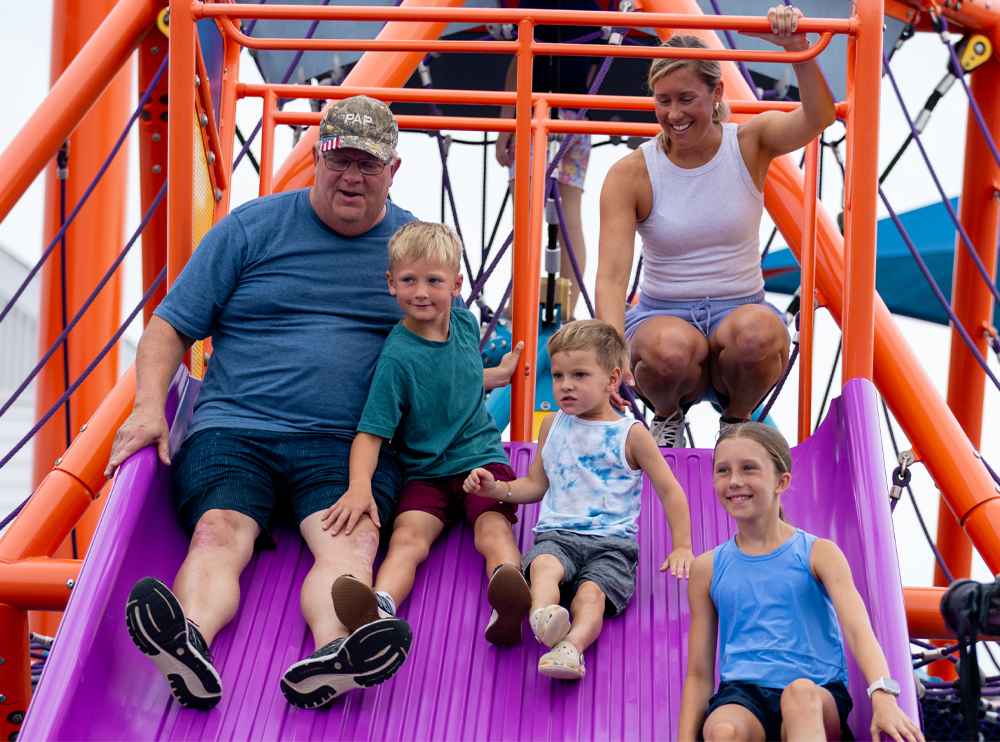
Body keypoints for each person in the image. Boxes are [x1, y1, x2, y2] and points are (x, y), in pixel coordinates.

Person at [110, 96, 418, 711]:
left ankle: (335, 654)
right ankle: (188, 643)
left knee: (350, 543)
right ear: (315, 158)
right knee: (219, 531)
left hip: (348, 441)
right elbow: (170, 327)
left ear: (393, 170)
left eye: (367, 164)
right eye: (337, 160)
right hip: (237, 427)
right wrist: (148, 407)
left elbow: (446, 351)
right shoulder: (251, 228)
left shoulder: (413, 248)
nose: (350, 177)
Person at [596, 6, 836, 447]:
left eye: (686, 99)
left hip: (738, 307)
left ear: (716, 93)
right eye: (662, 101)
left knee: (759, 335)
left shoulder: (749, 142)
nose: (673, 114)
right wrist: (611, 350)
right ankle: (667, 419)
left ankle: (736, 423)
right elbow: (611, 277)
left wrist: (798, 50)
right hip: (662, 315)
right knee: (668, 349)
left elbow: (818, 118)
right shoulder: (631, 173)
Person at [325, 220, 533, 646]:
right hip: (426, 471)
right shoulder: (397, 358)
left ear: (457, 285)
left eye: (433, 281)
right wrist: (359, 486)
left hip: (481, 460)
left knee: (492, 527)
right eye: (408, 280)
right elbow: (371, 432)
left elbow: (458, 376)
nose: (420, 291)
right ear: (391, 283)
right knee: (407, 538)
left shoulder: (466, 324)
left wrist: (498, 374)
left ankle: (509, 592)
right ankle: (380, 607)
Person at [463, 320, 694, 679]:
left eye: (580, 375)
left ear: (612, 379)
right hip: (557, 537)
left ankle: (572, 647)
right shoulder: (551, 425)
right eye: (557, 376)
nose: (565, 385)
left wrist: (682, 546)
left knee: (592, 597)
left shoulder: (630, 434)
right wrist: (497, 490)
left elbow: (670, 490)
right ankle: (543, 616)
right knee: (543, 567)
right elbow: (535, 485)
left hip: (611, 545)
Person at [677, 422, 925, 742]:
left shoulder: (817, 553)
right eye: (723, 470)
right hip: (743, 695)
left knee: (799, 696)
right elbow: (698, 673)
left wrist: (883, 695)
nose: (734, 480)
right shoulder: (707, 567)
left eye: (748, 468)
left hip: (816, 693)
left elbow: (858, 629)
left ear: (782, 481)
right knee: (722, 730)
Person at [496, 0, 600, 319]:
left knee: (526, 218)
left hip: (533, 114)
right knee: (570, 215)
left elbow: (519, 65)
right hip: (575, 117)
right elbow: (594, 66)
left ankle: (519, 307)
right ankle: (566, 310)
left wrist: (504, 127)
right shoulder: (594, 9)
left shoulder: (533, 3)